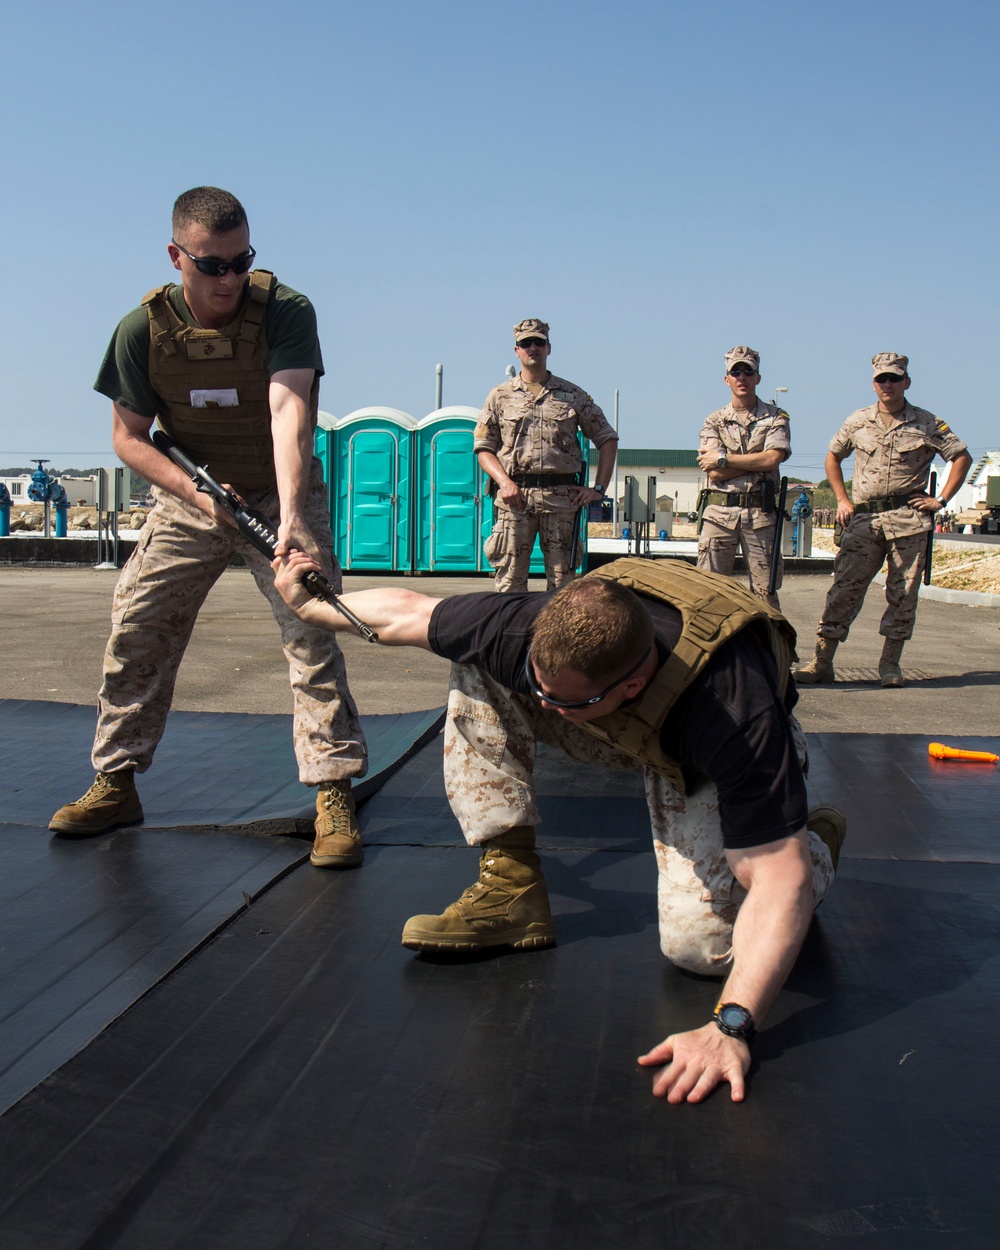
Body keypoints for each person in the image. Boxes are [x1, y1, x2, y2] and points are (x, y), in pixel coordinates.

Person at [272, 547, 846, 1105]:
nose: (542, 705)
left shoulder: (733, 714)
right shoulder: (525, 631)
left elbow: (777, 881)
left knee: (702, 952)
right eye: (539, 685)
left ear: (631, 687)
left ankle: (811, 837)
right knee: (475, 673)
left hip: (694, 757)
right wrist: (314, 607)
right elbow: (412, 612)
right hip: (609, 715)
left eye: (560, 698)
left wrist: (733, 1027)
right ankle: (510, 882)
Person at [49, 186, 368, 868]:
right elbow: (129, 438)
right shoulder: (141, 332)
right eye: (211, 264)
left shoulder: (285, 310)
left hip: (282, 492)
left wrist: (289, 522)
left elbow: (290, 411)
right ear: (176, 257)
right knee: (138, 625)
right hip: (192, 498)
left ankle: (333, 792)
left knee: (311, 633)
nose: (229, 279)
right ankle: (116, 781)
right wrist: (199, 493)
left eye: (240, 261)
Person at [794, 353, 972, 688]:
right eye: (881, 379)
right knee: (844, 590)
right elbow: (833, 457)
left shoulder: (927, 422)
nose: (887, 384)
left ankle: (890, 664)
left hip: (908, 520)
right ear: (873, 383)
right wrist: (843, 500)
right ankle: (821, 662)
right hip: (864, 520)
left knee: (903, 594)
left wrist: (940, 500)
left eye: (893, 378)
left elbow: (961, 456)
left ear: (906, 382)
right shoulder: (858, 421)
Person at [476, 319, 618, 592]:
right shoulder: (499, 396)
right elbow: (484, 447)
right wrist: (504, 483)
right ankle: (511, 635)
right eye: (526, 343)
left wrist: (598, 489)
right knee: (509, 585)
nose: (533, 347)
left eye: (539, 342)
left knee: (563, 586)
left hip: (562, 502)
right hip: (515, 502)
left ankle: (559, 636)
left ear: (549, 348)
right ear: (516, 350)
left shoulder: (572, 395)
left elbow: (607, 439)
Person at [696, 346, 790, 609]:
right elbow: (713, 472)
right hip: (719, 517)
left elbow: (773, 459)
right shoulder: (713, 421)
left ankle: (769, 651)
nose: (742, 377)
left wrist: (725, 458)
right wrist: (756, 461)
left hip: (761, 519)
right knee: (708, 595)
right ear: (726, 379)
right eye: (735, 371)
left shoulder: (775, 418)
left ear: (758, 377)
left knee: (766, 597)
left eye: (748, 371)